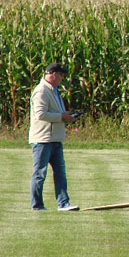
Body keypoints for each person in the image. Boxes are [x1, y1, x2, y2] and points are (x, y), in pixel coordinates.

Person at [29, 63, 80, 211]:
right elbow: (41, 114)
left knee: (60, 173)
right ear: (53, 74)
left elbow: (56, 111)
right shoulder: (41, 91)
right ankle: (37, 206)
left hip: (56, 138)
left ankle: (63, 203)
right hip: (42, 139)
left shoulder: (54, 91)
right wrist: (61, 117)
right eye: (61, 75)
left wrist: (67, 115)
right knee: (40, 174)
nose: (62, 79)